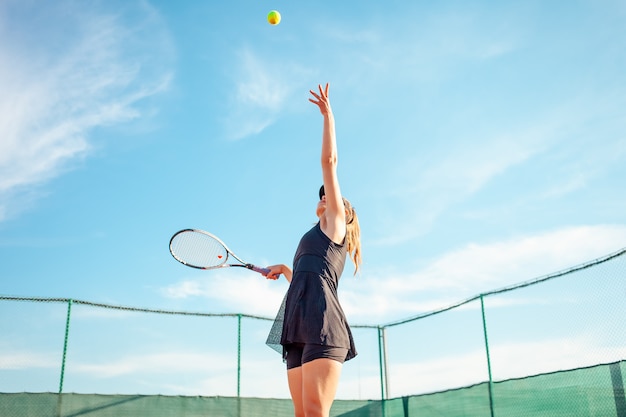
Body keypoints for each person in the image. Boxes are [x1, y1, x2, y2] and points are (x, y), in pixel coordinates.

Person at [263, 83, 362, 417]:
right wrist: (284, 269)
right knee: (302, 415)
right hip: (297, 324)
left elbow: (329, 162)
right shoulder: (311, 235)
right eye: (322, 194)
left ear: (344, 213)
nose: (326, 196)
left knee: (316, 414)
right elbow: (307, 280)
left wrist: (328, 116)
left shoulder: (336, 224)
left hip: (322, 324)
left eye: (333, 197)